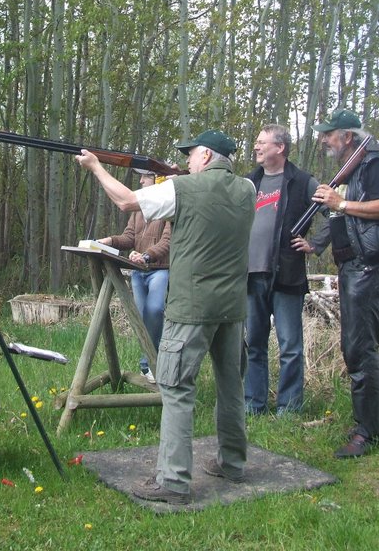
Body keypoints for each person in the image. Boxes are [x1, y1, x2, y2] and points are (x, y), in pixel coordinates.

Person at [75, 129, 254, 505]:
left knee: (175, 389)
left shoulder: (183, 190)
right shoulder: (247, 190)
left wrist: (95, 166)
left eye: (191, 155)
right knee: (231, 386)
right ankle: (233, 462)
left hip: (192, 305)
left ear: (205, 156)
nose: (187, 160)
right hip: (233, 306)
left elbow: (125, 202)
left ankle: (173, 481)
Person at [309, 109, 379, 459]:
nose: (323, 140)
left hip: (369, 267)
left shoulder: (375, 166)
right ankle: (366, 424)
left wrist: (342, 203)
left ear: (347, 136)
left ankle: (369, 431)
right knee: (355, 347)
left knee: (360, 349)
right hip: (352, 267)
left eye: (329, 134)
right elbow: (343, 216)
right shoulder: (352, 170)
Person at [244, 124, 329, 415]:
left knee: (290, 347)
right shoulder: (249, 182)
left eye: (261, 142)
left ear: (279, 148)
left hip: (287, 276)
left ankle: (289, 409)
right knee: (253, 345)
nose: (256, 147)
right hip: (250, 277)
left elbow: (333, 212)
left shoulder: (302, 181)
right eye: (257, 142)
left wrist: (316, 244)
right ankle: (252, 405)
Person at [97, 169, 171, 383]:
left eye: (145, 177)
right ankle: (150, 365)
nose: (140, 181)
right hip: (138, 272)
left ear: (157, 178)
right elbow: (130, 237)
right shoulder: (138, 208)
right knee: (141, 316)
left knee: (155, 311)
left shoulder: (169, 204)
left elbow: (168, 241)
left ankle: (154, 364)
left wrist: (147, 256)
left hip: (159, 269)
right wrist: (109, 241)